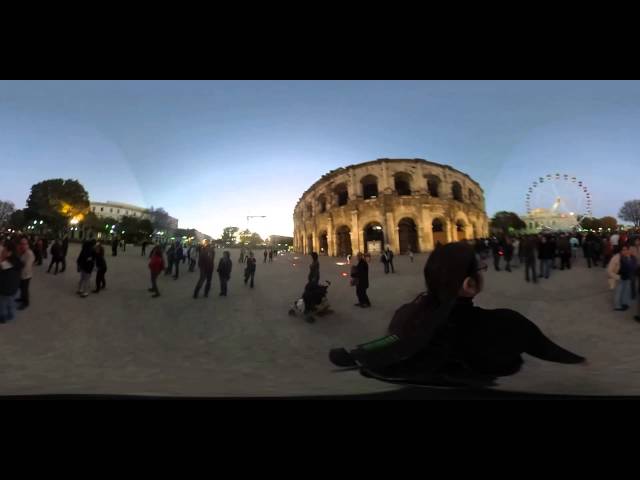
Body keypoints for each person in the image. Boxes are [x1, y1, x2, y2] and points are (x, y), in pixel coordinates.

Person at [329, 242, 586, 381]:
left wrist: (356, 355)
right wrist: (580, 361)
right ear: (468, 284)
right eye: (480, 269)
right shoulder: (507, 322)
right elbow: (546, 349)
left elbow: (390, 342)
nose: (482, 271)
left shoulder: (410, 313)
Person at [608, 244, 637, 311]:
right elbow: (609, 271)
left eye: (627, 249)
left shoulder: (631, 257)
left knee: (626, 291)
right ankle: (617, 306)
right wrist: (618, 277)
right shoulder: (616, 258)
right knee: (619, 292)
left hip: (628, 277)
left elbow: (634, 267)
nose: (626, 251)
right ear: (620, 251)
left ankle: (625, 303)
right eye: (623, 250)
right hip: (619, 278)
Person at [0, 240, 23, 324]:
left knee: (2, 305)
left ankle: (2, 318)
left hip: (5, 289)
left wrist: (2, 257)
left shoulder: (6, 263)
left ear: (9, 252)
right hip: (14, 287)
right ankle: (11, 315)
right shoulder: (17, 260)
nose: (2, 251)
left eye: (4, 250)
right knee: (10, 302)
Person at [16, 236, 35, 311]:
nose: (22, 245)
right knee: (21, 288)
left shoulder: (29, 253)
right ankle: (21, 298)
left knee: (24, 289)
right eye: (21, 244)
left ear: (27, 245)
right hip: (21, 275)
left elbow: (26, 266)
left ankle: (26, 302)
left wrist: (18, 265)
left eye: (24, 244)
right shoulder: (22, 252)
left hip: (26, 275)